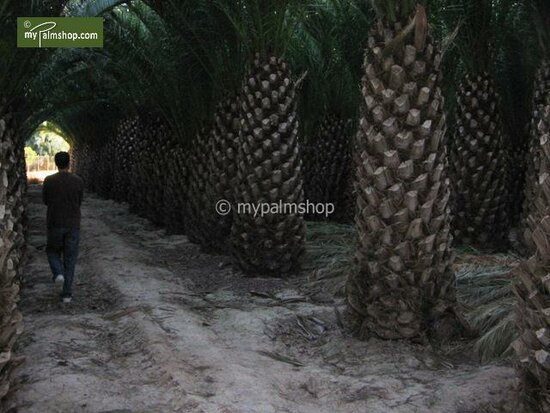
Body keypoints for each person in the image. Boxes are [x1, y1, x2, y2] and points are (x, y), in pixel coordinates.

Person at [42, 151, 84, 303]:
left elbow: (45, 200)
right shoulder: (78, 181)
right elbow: (79, 201)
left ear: (56, 163)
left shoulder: (49, 180)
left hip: (54, 223)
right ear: (69, 163)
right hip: (73, 224)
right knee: (70, 258)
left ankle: (58, 272)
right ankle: (67, 294)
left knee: (52, 251)